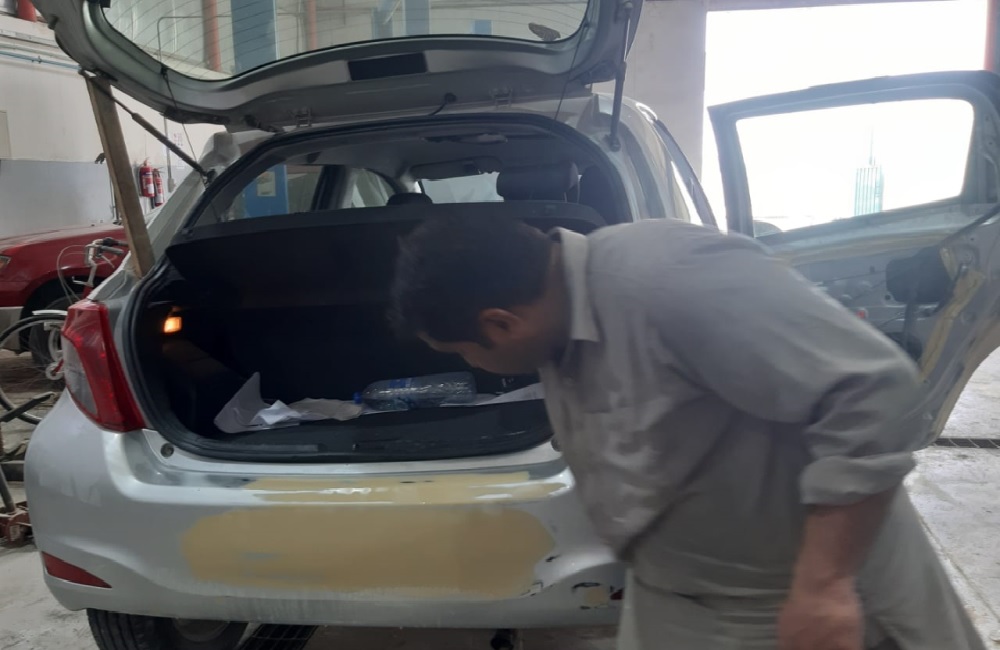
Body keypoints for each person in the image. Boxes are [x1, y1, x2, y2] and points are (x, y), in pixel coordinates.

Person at [388, 214, 986, 650]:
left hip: (800, 598)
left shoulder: (672, 281)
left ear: (501, 323)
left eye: (464, 352)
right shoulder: (555, 315)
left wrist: (825, 585)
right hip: (677, 602)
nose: (472, 365)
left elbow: (871, 389)